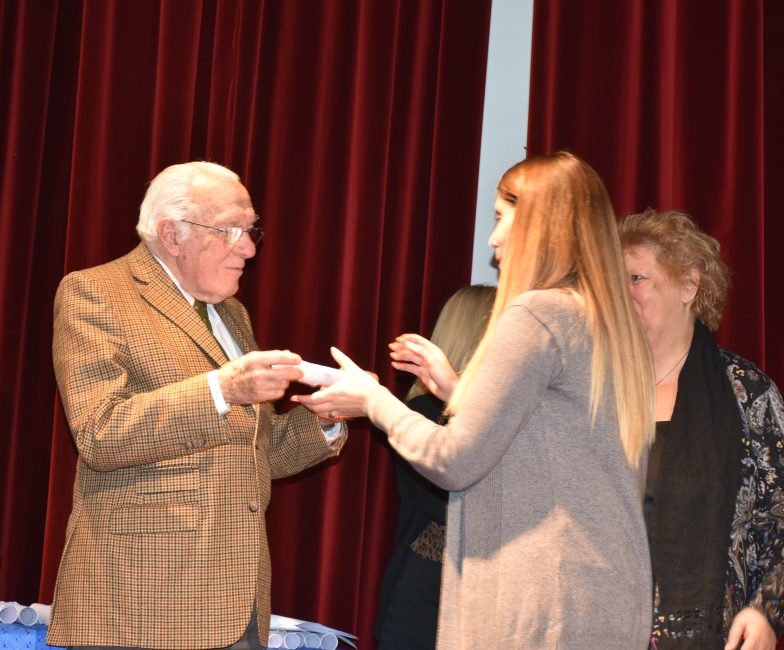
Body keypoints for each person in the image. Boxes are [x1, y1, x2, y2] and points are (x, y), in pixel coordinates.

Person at [297, 151, 656, 649]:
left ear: (539, 224)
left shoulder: (539, 313)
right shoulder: (609, 324)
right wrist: (456, 390)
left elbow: (454, 461)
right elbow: (554, 437)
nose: (493, 239)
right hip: (602, 596)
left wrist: (374, 400)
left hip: (538, 602)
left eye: (502, 218)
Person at [47, 161, 348, 650]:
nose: (249, 249)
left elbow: (256, 456)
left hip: (238, 606)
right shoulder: (96, 293)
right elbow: (100, 433)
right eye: (233, 230)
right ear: (172, 234)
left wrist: (328, 417)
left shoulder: (231, 313)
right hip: (142, 608)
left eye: (252, 232)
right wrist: (220, 390)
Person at [620, 209, 784, 650]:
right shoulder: (596, 389)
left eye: (637, 279)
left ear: (688, 287)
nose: (621, 294)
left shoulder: (747, 393)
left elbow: (779, 521)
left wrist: (767, 610)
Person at [375, 285, 495, 650]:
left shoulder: (498, 417)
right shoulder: (422, 414)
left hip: (479, 600)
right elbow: (446, 504)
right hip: (426, 599)